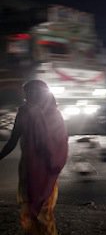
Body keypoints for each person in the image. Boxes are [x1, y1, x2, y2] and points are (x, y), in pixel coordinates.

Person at [0, 80, 68, 235]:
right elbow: (12, 141)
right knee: (29, 210)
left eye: (35, 93)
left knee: (44, 212)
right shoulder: (24, 112)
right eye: (28, 94)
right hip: (29, 169)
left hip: (46, 171)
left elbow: (60, 143)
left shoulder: (54, 115)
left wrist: (53, 161)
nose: (31, 97)